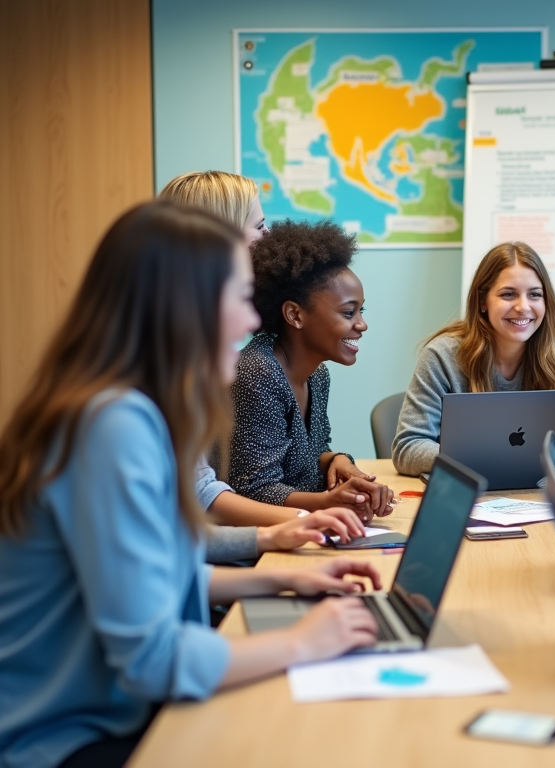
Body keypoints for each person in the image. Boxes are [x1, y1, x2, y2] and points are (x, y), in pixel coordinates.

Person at [0, 201, 382, 768]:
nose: (252, 322)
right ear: (185, 308)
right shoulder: (112, 425)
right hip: (63, 738)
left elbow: (163, 564)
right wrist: (304, 642)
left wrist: (289, 576)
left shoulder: (128, 410)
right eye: (237, 298)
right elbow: (153, 658)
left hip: (108, 710)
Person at [159, 171, 366, 557]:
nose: (269, 238)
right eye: (259, 226)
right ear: (216, 241)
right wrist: (308, 518)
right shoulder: (173, 365)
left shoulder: (196, 350)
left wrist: (326, 480)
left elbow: (200, 490)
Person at [214, 219, 394, 524]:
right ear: (295, 314)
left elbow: (310, 454)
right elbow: (253, 490)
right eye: (348, 312)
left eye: (361, 311)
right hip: (252, 540)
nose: (361, 324)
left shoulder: (317, 374)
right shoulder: (257, 373)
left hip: (293, 527)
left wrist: (337, 461)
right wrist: (327, 503)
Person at [392, 241, 555, 476]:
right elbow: (407, 448)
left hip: (539, 492)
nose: (523, 307)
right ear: (483, 301)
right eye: (508, 294)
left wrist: (523, 460)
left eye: (535, 295)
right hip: (468, 493)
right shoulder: (442, 355)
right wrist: (485, 461)